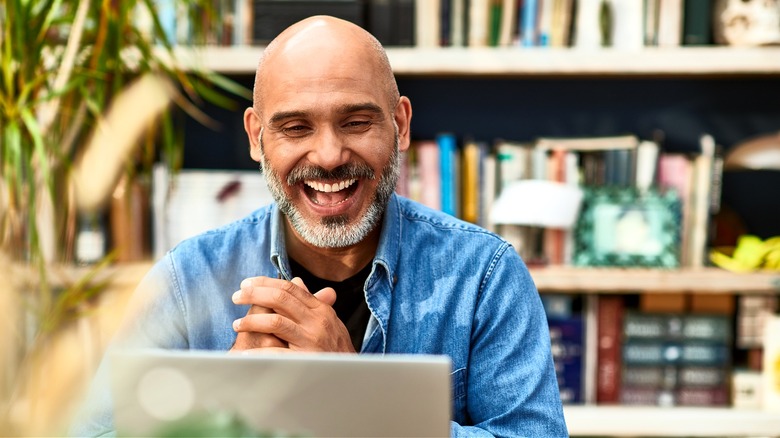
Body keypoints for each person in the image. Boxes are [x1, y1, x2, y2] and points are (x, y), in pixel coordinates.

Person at [71, 15, 568, 437]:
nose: (329, 156)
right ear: (255, 137)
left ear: (401, 125)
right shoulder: (187, 278)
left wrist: (355, 395)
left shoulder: (484, 275)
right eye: (295, 127)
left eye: (356, 122)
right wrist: (221, 405)